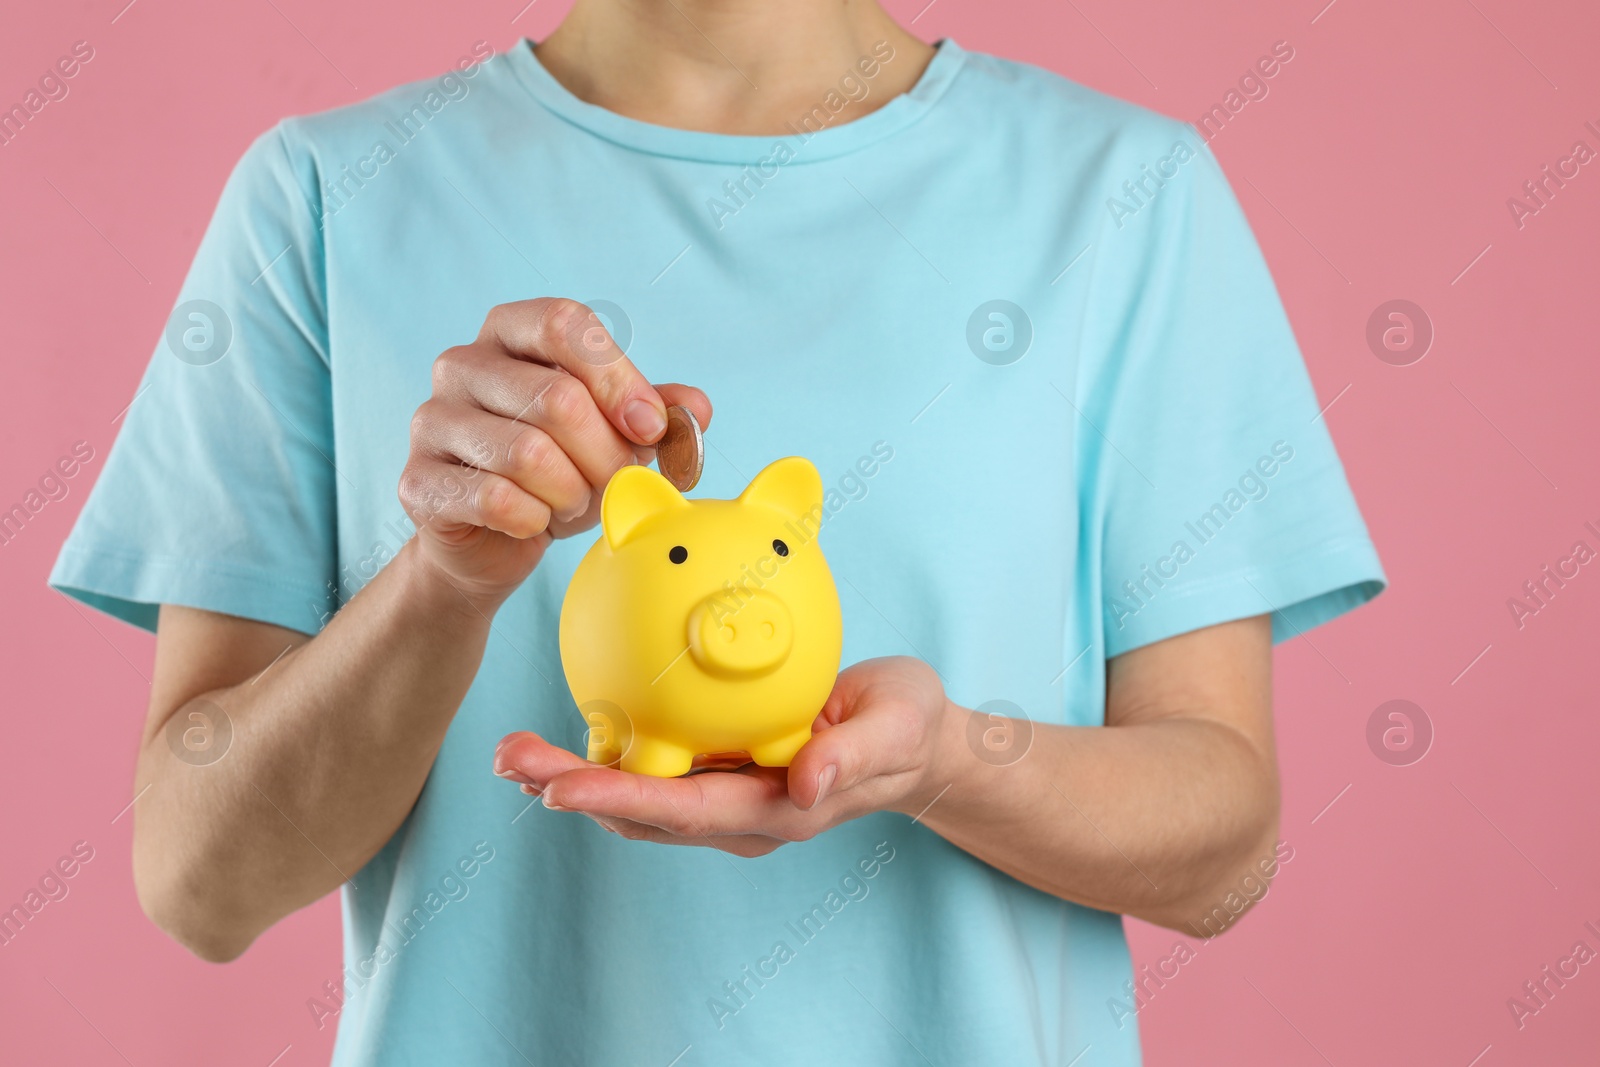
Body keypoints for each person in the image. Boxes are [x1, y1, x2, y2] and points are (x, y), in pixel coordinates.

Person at [51, 0, 1385, 1063]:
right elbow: (199, 881)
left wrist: (944, 765)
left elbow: (1223, 854)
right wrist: (444, 585)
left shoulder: (1125, 196)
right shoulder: (324, 201)